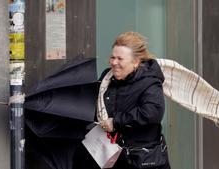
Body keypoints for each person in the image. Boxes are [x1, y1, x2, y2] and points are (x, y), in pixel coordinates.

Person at [73, 31, 170, 169]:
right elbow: (97, 107)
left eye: (120, 59)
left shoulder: (149, 82)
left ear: (135, 62)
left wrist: (115, 122)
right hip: (112, 156)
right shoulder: (107, 79)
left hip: (141, 159)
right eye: (112, 57)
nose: (114, 62)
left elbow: (152, 113)